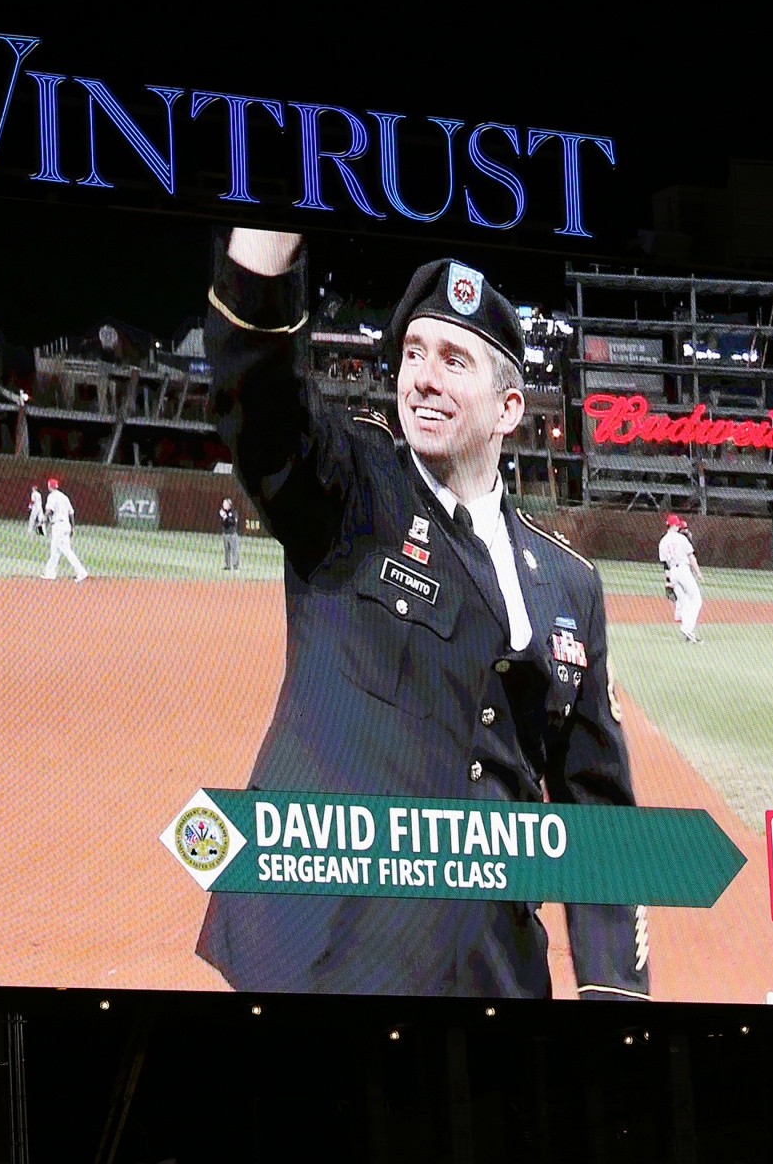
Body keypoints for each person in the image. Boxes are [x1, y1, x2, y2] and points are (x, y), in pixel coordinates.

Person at [195, 227, 647, 1001]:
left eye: (453, 359)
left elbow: (597, 808)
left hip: (488, 971)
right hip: (323, 955)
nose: (424, 379)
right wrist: (264, 248)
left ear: (509, 407)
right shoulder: (352, 488)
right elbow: (262, 396)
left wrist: (614, 991)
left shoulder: (570, 585)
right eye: (413, 354)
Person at [658, 513, 704, 643]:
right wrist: (698, 572)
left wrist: (668, 581)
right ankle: (688, 628)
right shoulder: (681, 538)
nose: (678, 526)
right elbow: (691, 557)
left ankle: (688, 632)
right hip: (683, 570)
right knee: (696, 599)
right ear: (674, 525)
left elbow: (665, 563)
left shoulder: (663, 542)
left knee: (683, 601)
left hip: (673, 572)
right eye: (677, 524)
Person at [40, 478, 88, 582]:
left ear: (49, 486)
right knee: (55, 550)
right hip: (66, 525)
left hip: (58, 526)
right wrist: (72, 527)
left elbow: (49, 510)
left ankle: (81, 571)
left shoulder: (52, 496)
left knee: (66, 550)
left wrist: (43, 519)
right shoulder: (64, 497)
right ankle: (50, 573)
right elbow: (71, 513)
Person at [218, 497, 242, 570]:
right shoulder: (222, 512)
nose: (224, 505)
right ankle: (227, 565)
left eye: (225, 503)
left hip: (232, 534)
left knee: (234, 550)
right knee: (226, 551)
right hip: (225, 534)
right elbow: (223, 523)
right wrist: (223, 517)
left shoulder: (233, 512)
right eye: (223, 503)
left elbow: (233, 522)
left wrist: (226, 517)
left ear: (229, 504)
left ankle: (235, 565)